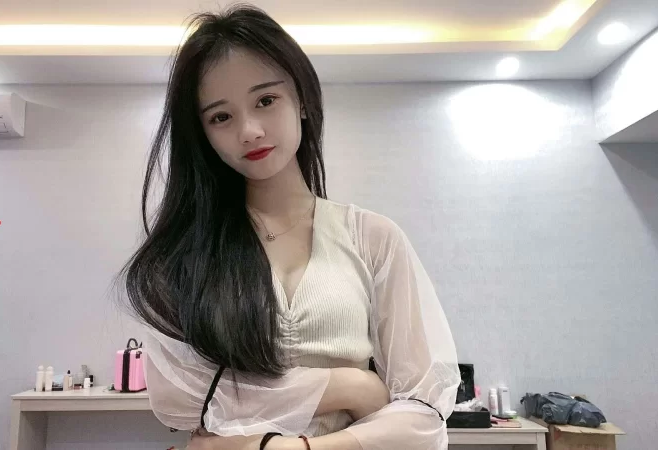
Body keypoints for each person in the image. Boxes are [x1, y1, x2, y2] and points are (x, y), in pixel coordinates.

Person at [118, 3, 460, 449]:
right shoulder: (184, 253)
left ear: (301, 100)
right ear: (203, 134)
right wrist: (349, 386)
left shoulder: (373, 238)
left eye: (265, 100)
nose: (249, 130)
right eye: (221, 116)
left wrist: (287, 447)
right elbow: (181, 399)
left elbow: (426, 412)